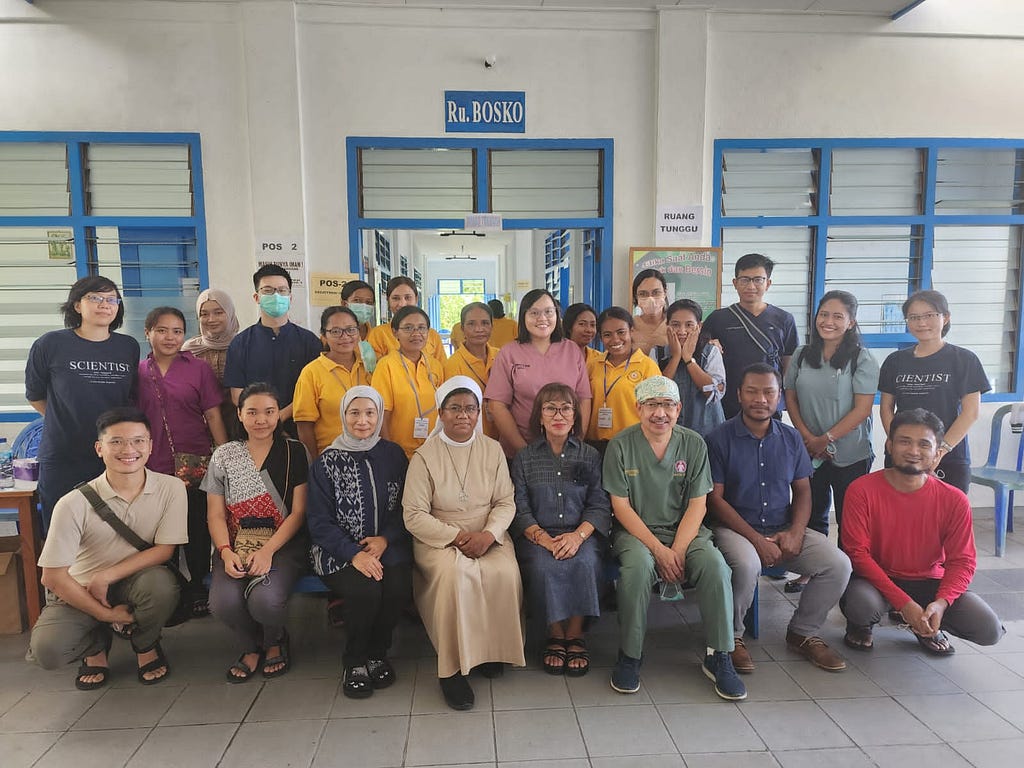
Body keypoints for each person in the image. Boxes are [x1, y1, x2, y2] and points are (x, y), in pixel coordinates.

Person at [603, 376, 745, 700]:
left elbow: (699, 503)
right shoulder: (621, 446)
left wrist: (677, 550)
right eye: (652, 405)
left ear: (679, 409)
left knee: (715, 566)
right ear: (638, 408)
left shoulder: (693, 444)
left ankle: (719, 655)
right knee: (637, 570)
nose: (660, 413)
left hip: (686, 531)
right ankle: (630, 655)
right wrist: (659, 551)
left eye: (667, 405)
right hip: (636, 534)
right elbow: (620, 507)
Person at [706, 363, 852, 674]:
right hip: (735, 528)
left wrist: (797, 532)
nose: (761, 399)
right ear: (738, 395)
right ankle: (730, 639)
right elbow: (715, 500)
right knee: (747, 564)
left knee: (838, 564)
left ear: (779, 398)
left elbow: (802, 491)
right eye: (752, 392)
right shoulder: (719, 438)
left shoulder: (791, 438)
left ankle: (802, 632)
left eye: (769, 392)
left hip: (782, 525)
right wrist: (757, 540)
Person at [29, 407, 186, 690]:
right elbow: (52, 577)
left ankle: (146, 644)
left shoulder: (171, 488)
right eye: (116, 442)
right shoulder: (72, 503)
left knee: (161, 586)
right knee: (48, 652)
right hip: (80, 588)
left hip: (133, 582)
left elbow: (164, 550)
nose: (129, 449)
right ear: (99, 448)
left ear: (150, 446)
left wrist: (106, 576)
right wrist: (106, 614)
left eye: (138, 440)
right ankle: (96, 644)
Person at [402, 376, 526, 711]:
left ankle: (489, 652)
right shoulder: (424, 457)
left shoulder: (492, 449)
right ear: (440, 413)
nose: (463, 415)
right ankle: (452, 670)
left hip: (489, 534)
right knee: (457, 577)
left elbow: (506, 502)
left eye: (470, 409)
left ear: (478, 413)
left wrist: (488, 535)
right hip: (439, 538)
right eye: (454, 408)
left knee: (503, 573)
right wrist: (456, 537)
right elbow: (413, 515)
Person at [841, 408, 1004, 655]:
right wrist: (904, 604)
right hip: (876, 580)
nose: (913, 451)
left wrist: (941, 603)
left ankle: (926, 624)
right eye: (904, 441)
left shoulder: (954, 500)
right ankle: (862, 625)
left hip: (930, 582)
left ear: (937, 453)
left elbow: (963, 561)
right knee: (861, 606)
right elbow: (857, 554)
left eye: (923, 444)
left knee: (988, 629)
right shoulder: (861, 490)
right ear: (889, 444)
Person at [307, 386, 412, 699]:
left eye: (370, 413)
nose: (362, 420)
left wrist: (385, 540)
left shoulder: (393, 455)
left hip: (388, 546)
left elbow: (407, 506)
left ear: (379, 415)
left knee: (397, 587)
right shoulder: (326, 463)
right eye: (354, 412)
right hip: (337, 552)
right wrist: (353, 553)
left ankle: (378, 653)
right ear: (342, 416)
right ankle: (354, 661)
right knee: (364, 590)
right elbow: (319, 522)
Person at [204, 383, 309, 682]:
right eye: (252, 412)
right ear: (239, 415)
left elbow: (299, 512)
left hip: (282, 544)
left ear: (279, 415)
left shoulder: (295, 451)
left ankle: (274, 640)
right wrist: (225, 552)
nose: (261, 420)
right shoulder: (223, 455)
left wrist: (267, 551)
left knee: (265, 600)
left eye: (269, 412)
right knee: (223, 603)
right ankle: (251, 646)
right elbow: (214, 513)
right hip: (234, 543)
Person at [511, 383, 611, 676]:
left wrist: (578, 536)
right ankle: (555, 633)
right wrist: (543, 538)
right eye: (550, 408)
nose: (559, 414)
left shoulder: (590, 455)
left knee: (587, 561)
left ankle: (575, 634)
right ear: (539, 417)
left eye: (566, 408)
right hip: (537, 535)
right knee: (544, 567)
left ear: (575, 416)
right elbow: (519, 507)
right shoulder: (525, 458)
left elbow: (599, 505)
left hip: (581, 533)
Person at [26, 276, 139, 531]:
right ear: (77, 305)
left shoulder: (127, 347)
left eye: (112, 299)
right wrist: (63, 419)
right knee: (62, 530)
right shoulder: (51, 344)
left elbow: (129, 398)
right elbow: (35, 395)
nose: (104, 305)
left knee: (112, 530)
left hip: (113, 454)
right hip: (64, 454)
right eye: (95, 298)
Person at [137, 306, 228, 618]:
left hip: (195, 459)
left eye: (177, 331)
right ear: (148, 332)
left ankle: (199, 588)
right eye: (162, 330)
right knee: (161, 531)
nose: (170, 337)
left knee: (197, 528)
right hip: (153, 463)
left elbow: (213, 412)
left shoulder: (197, 368)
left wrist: (225, 453)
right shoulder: (137, 372)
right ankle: (170, 592)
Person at [784, 291, 878, 541]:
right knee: (811, 511)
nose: (829, 321)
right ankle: (812, 571)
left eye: (838, 316)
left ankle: (850, 573)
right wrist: (808, 438)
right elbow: (790, 396)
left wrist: (826, 438)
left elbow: (863, 409)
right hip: (809, 448)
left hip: (851, 451)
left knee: (851, 516)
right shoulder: (802, 355)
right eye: (824, 314)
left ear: (851, 322)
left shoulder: (861, 359)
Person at [878, 289, 989, 494]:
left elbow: (970, 412)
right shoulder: (895, 361)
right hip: (903, 455)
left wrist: (941, 450)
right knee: (899, 516)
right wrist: (896, 442)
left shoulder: (964, 359)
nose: (921, 323)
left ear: (945, 318)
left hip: (949, 455)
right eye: (914, 317)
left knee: (947, 518)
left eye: (929, 315)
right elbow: (886, 407)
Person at [486, 288, 592, 457]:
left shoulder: (571, 350)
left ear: (557, 315)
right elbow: (497, 405)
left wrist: (576, 442)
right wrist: (525, 452)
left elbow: (584, 399)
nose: (542, 318)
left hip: (566, 451)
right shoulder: (508, 353)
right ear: (523, 316)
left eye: (549, 312)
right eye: (534, 313)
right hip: (519, 451)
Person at [223, 264, 322, 438]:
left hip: (299, 431)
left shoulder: (310, 342)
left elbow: (314, 390)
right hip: (255, 431)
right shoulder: (240, 343)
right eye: (268, 290)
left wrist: (279, 417)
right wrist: (265, 419)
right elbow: (237, 395)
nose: (276, 296)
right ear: (256, 297)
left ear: (290, 298)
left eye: (282, 291)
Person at [702, 253, 799, 419]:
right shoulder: (718, 318)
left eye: (758, 280)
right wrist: (709, 343)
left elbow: (789, 365)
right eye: (745, 279)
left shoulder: (784, 319)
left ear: (768, 283)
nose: (751, 286)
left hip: (767, 403)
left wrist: (780, 397)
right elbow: (703, 354)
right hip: (728, 403)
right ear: (735, 283)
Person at [293, 306, 372, 460]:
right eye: (336, 331)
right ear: (323, 336)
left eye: (351, 330)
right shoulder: (311, 372)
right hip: (331, 458)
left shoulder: (369, 366)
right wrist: (316, 464)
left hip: (370, 455)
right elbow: (304, 425)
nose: (345, 336)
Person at [375, 305, 446, 458]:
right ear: (395, 332)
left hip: (433, 450)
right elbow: (382, 415)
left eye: (422, 328)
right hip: (400, 453)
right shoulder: (386, 365)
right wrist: (390, 453)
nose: (416, 334)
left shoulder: (435, 365)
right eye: (408, 328)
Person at [585, 307, 660, 450]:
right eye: (607, 334)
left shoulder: (647, 366)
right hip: (594, 444)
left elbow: (655, 410)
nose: (615, 339)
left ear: (631, 331)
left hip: (632, 445)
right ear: (600, 337)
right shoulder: (593, 365)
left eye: (621, 332)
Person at [659, 299, 725, 437]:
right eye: (675, 325)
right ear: (667, 325)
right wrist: (676, 357)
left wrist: (688, 359)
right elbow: (656, 393)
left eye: (689, 325)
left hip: (707, 432)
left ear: (699, 326)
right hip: (668, 434)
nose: (682, 331)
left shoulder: (710, 351)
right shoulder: (658, 353)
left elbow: (714, 394)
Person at [182, 287, 241, 438]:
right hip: (200, 429)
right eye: (204, 314)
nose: (211, 319)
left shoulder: (244, 345)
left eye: (219, 312)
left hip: (241, 425)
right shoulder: (189, 350)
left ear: (230, 313)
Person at [444, 301, 500, 439]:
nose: (479, 329)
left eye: (485, 323)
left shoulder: (501, 357)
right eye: (471, 324)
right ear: (462, 328)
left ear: (492, 326)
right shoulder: (453, 364)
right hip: (471, 439)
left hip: (503, 435)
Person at [366, 276, 447, 364]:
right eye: (396, 298)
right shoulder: (378, 334)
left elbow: (443, 368)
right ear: (388, 300)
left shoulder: (432, 335)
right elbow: (376, 369)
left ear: (416, 299)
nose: (402, 304)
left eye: (408, 298)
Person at [630, 269, 669, 356]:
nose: (650, 299)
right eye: (643, 294)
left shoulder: (674, 325)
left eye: (656, 292)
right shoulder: (629, 326)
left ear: (665, 293)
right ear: (636, 296)